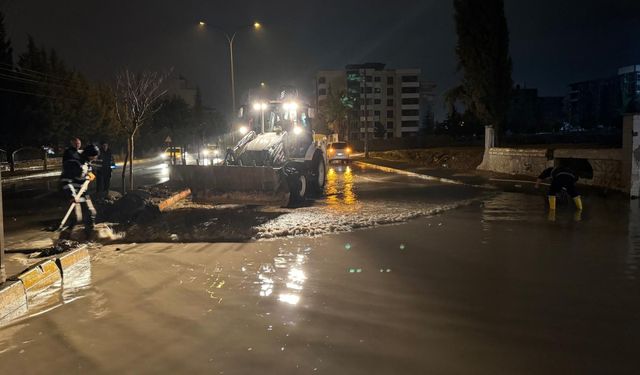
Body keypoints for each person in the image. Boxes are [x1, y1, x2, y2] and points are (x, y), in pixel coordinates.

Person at [60, 144, 100, 240]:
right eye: (94, 156)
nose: (95, 158)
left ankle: (90, 237)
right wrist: (71, 195)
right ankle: (63, 239)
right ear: (89, 155)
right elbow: (65, 180)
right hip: (71, 192)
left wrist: (89, 175)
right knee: (75, 218)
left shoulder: (86, 162)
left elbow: (86, 173)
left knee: (90, 213)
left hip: (82, 192)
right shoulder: (74, 163)